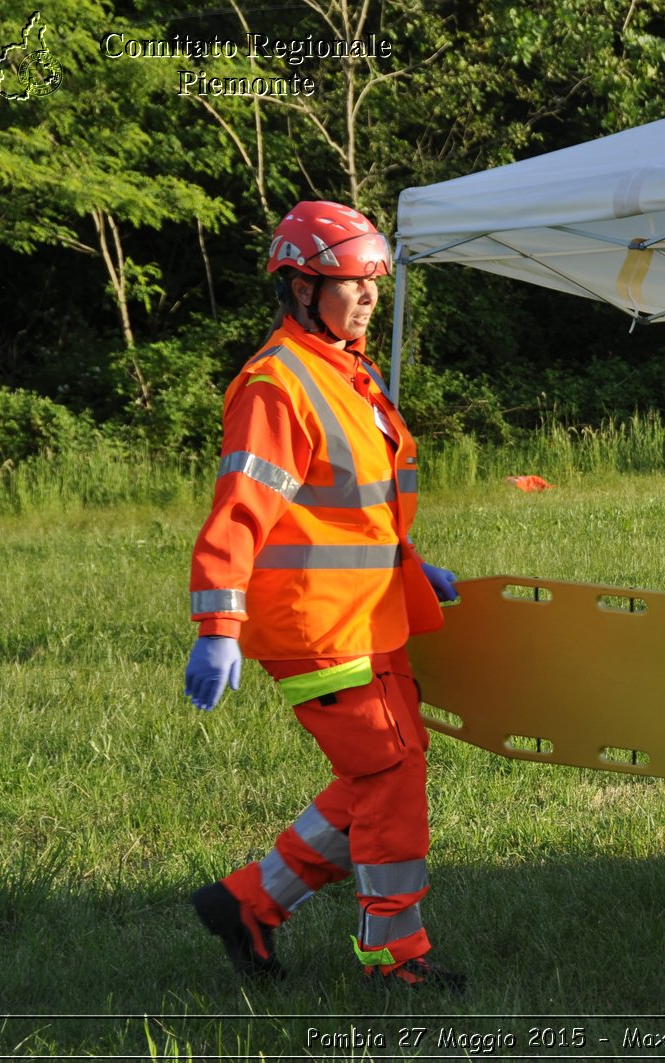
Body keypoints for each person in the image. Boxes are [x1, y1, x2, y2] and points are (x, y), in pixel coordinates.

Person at [182, 201, 466, 992]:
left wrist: (413, 562)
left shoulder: (347, 371)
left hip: (372, 615)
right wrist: (217, 624)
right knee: (392, 778)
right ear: (302, 286)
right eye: (353, 281)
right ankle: (393, 957)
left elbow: (351, 503)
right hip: (317, 627)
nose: (370, 294)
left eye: (375, 280)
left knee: (382, 773)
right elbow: (241, 507)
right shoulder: (277, 382)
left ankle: (246, 902)